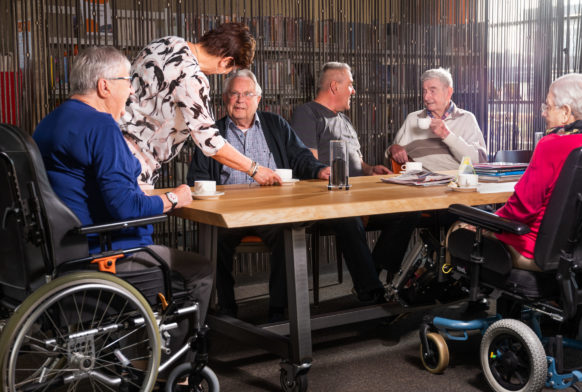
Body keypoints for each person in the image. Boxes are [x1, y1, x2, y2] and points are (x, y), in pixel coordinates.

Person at [33, 46, 213, 329]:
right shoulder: (101, 126)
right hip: (106, 251)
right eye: (127, 81)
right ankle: (180, 370)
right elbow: (126, 209)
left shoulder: (48, 122)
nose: (131, 92)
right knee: (199, 269)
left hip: (62, 250)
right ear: (104, 86)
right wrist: (173, 198)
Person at [187, 69, 330, 322]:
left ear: (258, 99)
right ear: (224, 98)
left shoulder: (275, 125)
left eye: (247, 94)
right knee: (215, 240)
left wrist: (319, 171)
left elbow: (301, 157)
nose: (240, 100)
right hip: (228, 214)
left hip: (271, 211)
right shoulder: (212, 134)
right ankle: (227, 310)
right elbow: (196, 178)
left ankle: (278, 310)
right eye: (234, 94)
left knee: (287, 232)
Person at [291, 62, 418, 279]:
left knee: (407, 212)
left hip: (360, 196)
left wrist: (370, 169)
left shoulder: (346, 120)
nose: (353, 90)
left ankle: (374, 272)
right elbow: (307, 163)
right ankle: (370, 291)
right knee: (348, 219)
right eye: (350, 85)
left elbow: (357, 161)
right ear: (334, 86)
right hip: (329, 201)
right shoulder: (307, 113)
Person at [121, 22, 281, 190]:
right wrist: (255, 169)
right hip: (134, 164)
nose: (226, 74)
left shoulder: (167, 43)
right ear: (226, 61)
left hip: (111, 143)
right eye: (231, 70)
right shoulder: (192, 78)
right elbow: (210, 142)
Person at [493, 73, 582, 270]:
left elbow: (522, 208)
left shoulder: (552, 145)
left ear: (566, 112)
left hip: (537, 250)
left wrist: (490, 221)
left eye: (548, 107)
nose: (543, 113)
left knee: (459, 229)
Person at [387, 67, 488, 171]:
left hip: (456, 182)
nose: (426, 97)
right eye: (424, 91)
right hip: (421, 183)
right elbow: (392, 151)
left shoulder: (467, 119)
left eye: (432, 91)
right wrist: (393, 148)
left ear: (448, 92)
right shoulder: (413, 119)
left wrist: (446, 135)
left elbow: (479, 161)